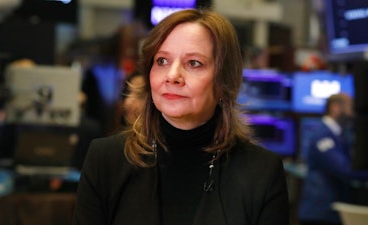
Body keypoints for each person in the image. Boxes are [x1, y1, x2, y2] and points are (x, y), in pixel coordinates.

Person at [73, 9, 289, 225]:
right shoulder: (105, 160)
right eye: (162, 61)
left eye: (193, 63)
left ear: (225, 80)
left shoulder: (262, 172)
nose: (172, 75)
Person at [298, 93, 355, 225]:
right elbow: (343, 169)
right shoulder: (323, 136)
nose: (352, 113)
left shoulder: (340, 135)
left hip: (330, 212)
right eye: (349, 107)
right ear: (335, 107)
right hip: (319, 212)